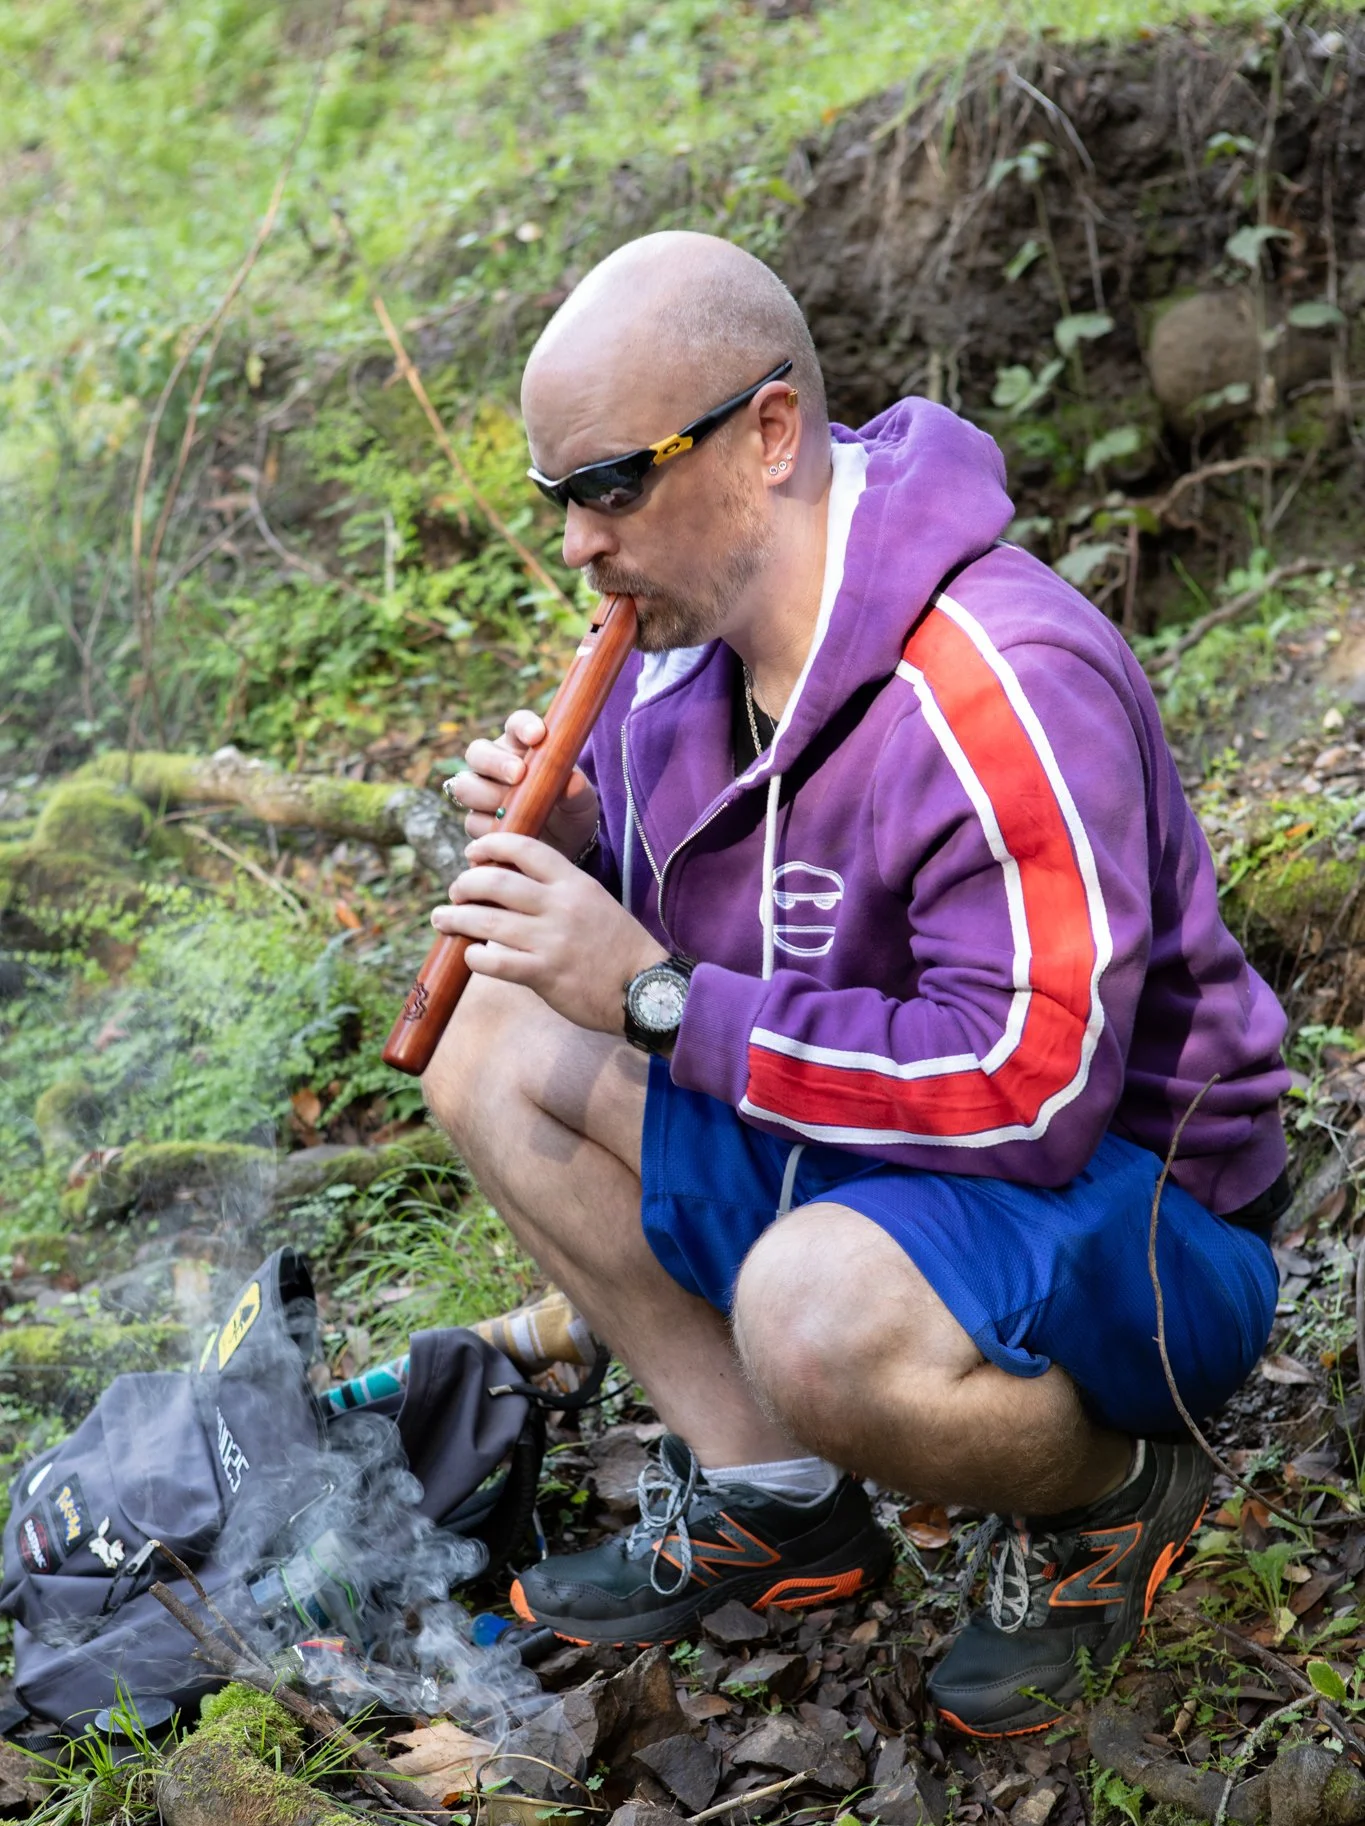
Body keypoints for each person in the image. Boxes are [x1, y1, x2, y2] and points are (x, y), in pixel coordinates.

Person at [423, 230, 1289, 1737]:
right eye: (558, 499)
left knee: (810, 1310)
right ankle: (779, 1498)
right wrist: (585, 845)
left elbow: (1031, 1096)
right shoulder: (673, 666)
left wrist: (654, 996)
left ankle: (1113, 1493)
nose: (580, 544)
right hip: (871, 1139)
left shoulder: (1000, 680)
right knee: (488, 1039)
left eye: (612, 486)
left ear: (766, 436)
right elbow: (740, 941)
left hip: (1140, 1215)